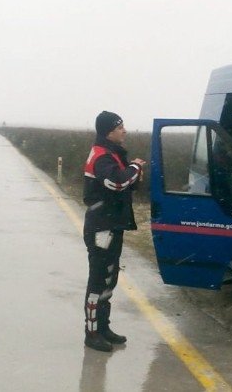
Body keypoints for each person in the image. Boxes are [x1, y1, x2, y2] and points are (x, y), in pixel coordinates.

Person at [82, 111, 146, 352]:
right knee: (98, 280)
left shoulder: (112, 154)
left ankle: (103, 326)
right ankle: (92, 332)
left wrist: (134, 172)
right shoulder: (101, 157)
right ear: (109, 131)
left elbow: (125, 184)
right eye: (120, 127)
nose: (125, 131)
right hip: (101, 227)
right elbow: (116, 182)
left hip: (112, 224)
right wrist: (134, 167)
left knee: (110, 278)